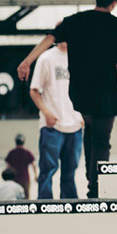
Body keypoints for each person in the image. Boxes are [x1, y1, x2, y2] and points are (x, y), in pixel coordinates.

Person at [17, 0, 117, 199]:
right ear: (114, 3)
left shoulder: (75, 21)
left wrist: (26, 61)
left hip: (80, 93)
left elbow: (50, 38)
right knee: (101, 140)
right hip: (106, 93)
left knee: (91, 132)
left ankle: (90, 179)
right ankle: (96, 188)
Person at [28, 43, 84, 200]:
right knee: (47, 170)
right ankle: (45, 204)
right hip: (52, 125)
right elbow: (34, 90)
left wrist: (83, 116)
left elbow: (87, 88)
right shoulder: (46, 58)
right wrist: (46, 113)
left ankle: (70, 204)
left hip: (75, 125)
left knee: (70, 171)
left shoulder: (80, 56)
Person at [4, 134, 36, 199]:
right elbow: (33, 165)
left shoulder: (12, 152)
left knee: (14, 196)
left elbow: (8, 166)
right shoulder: (27, 152)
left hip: (14, 179)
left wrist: (7, 178)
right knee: (26, 196)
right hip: (25, 178)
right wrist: (36, 175)